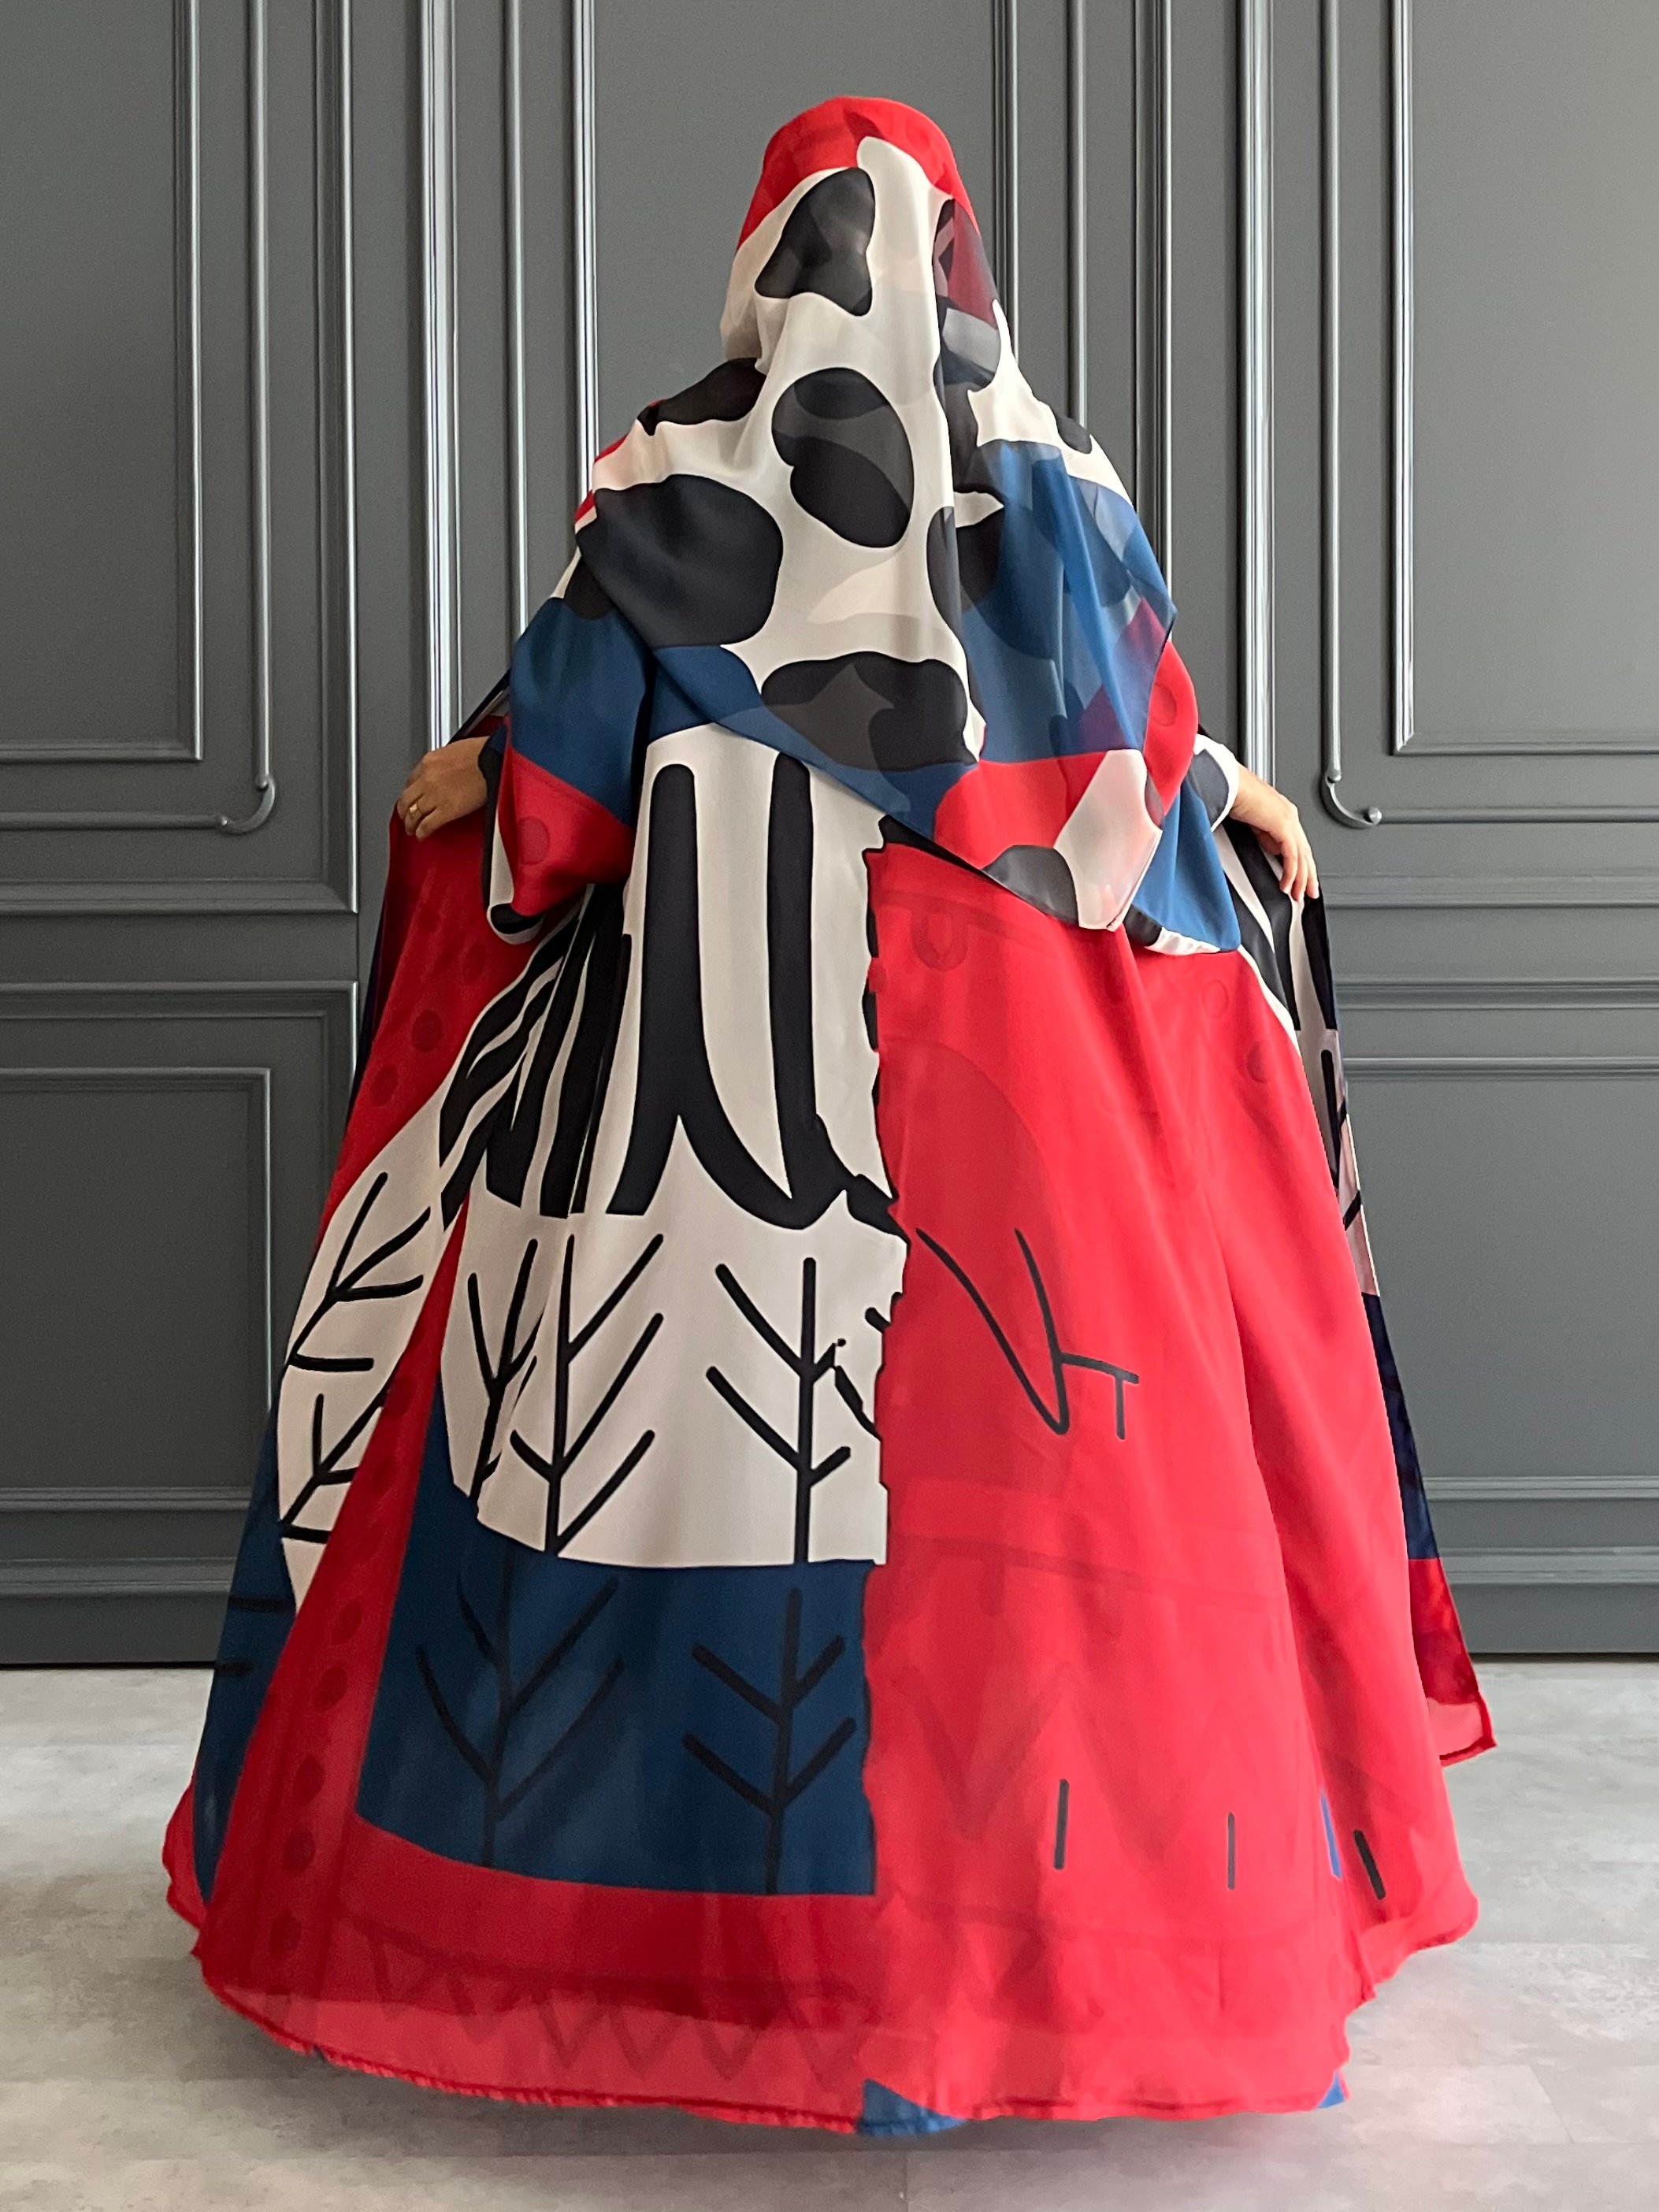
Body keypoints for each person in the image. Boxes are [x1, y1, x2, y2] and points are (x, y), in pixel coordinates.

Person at [165, 95, 1492, 2134]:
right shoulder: (1050, 479)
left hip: (721, 1094)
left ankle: (666, 1935)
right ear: (954, 258)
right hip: (1033, 1098)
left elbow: (577, 786)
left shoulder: (683, 468)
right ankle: (1060, 1954)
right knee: (1043, 1505)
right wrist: (1230, 786)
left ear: (765, 249)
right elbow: (1121, 740)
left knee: (683, 1471)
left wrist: (497, 771)